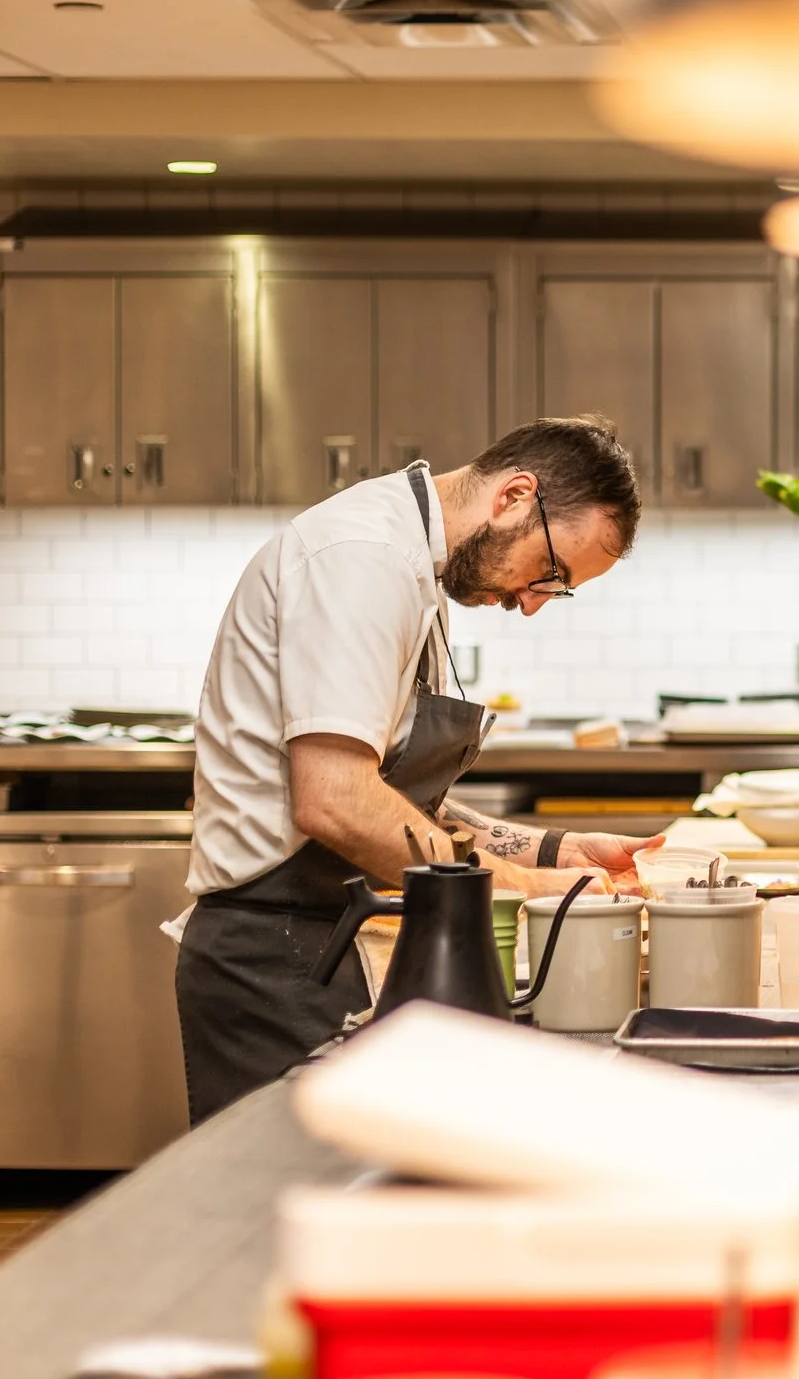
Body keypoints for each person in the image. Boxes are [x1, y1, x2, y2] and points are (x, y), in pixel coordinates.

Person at [175, 417, 657, 1123]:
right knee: (280, 1219)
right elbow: (336, 801)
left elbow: (391, 803)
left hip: (317, 937)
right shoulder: (362, 559)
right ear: (515, 496)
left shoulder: (413, 568)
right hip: (268, 958)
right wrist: (531, 890)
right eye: (550, 573)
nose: (531, 603)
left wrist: (558, 851)